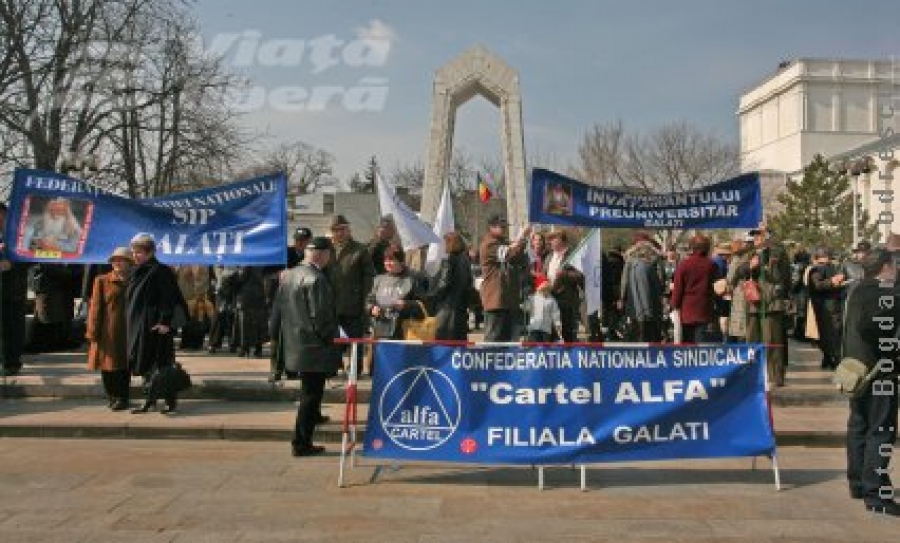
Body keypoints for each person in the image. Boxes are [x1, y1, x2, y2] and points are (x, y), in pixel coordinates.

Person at [270, 236, 342, 457]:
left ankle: (302, 440)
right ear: (322, 254)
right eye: (329, 254)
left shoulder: (288, 275)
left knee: (308, 395)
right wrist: (335, 339)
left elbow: (277, 314)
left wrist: (276, 340)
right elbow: (321, 317)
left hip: (295, 344)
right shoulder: (316, 279)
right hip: (314, 347)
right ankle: (301, 442)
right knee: (311, 397)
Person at [843, 248, 899, 515]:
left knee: (859, 426)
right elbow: (871, 326)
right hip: (878, 371)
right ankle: (876, 493)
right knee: (881, 430)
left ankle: (857, 482)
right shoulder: (883, 293)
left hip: (856, 369)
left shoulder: (858, 289)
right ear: (885, 267)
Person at [126, 233, 188, 415]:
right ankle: (150, 400)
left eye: (140, 252)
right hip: (140, 324)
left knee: (162, 364)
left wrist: (164, 322)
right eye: (134, 252)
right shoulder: (138, 270)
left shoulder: (160, 271)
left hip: (156, 325)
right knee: (146, 363)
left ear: (150, 252)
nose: (136, 255)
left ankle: (170, 401)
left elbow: (168, 298)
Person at [733, 226, 792, 387]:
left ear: (767, 236)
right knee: (752, 340)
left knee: (772, 340)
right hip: (753, 302)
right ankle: (753, 375)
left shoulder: (778, 252)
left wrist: (782, 294)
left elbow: (786, 277)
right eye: (755, 235)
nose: (756, 238)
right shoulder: (749, 253)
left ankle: (775, 376)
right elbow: (738, 273)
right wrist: (749, 266)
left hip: (772, 302)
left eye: (759, 235)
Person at [86, 247, 133, 411]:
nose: (117, 263)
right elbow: (95, 307)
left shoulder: (135, 279)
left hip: (128, 329)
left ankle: (123, 397)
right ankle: (112, 396)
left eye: (121, 260)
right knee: (107, 366)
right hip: (107, 330)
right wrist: (92, 330)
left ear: (129, 262)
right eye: (115, 260)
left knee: (124, 366)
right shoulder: (102, 280)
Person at [326, 214, 375, 372]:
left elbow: (369, 277)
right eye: (336, 230)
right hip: (330, 304)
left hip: (352, 304)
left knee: (355, 339)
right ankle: (333, 366)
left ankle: (355, 369)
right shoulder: (326, 249)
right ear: (331, 232)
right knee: (332, 338)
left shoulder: (360, 250)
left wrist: (366, 301)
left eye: (343, 229)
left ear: (349, 230)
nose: (339, 233)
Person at [479, 215, 530, 341]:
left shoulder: (504, 242)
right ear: (491, 227)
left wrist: (521, 243)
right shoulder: (488, 244)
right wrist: (522, 236)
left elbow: (518, 258)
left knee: (511, 341)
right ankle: (490, 361)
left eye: (505, 227)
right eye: (501, 227)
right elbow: (508, 254)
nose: (504, 229)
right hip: (495, 300)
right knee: (494, 340)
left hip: (509, 300)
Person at [367, 244, 427, 342]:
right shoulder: (379, 279)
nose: (387, 263)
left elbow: (424, 305)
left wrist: (406, 305)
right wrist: (372, 308)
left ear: (401, 262)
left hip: (406, 333)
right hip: (380, 332)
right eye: (385, 260)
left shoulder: (414, 279)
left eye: (391, 260)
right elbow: (369, 300)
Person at [618, 232, 666, 342]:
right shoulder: (656, 259)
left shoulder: (629, 260)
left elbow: (624, 281)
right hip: (653, 301)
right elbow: (661, 279)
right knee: (652, 329)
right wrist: (661, 294)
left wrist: (622, 297)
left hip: (633, 300)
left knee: (635, 326)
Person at [671, 235, 717, 343]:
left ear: (692, 247)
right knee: (701, 343)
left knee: (687, 343)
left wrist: (674, 305)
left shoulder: (684, 265)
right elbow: (714, 287)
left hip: (686, 311)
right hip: (704, 309)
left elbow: (678, 289)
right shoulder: (711, 265)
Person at [1, 202, 29, 376]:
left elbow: (31, 259)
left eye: (2, 215)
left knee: (14, 328)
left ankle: (12, 362)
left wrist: (13, 263)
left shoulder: (20, 237)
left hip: (14, 290)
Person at [806, 247, 846, 369]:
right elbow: (818, 285)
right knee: (830, 332)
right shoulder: (816, 270)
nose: (827, 258)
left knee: (830, 333)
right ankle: (831, 357)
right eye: (825, 256)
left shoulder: (830, 268)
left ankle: (829, 357)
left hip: (830, 304)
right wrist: (833, 282)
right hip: (825, 305)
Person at [428, 233, 473, 341]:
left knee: (443, 344)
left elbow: (443, 284)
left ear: (450, 244)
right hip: (460, 308)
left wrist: (433, 298)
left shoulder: (449, 261)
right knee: (459, 344)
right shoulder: (465, 259)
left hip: (446, 308)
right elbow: (468, 283)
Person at [543, 230, 584, 343]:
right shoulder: (549, 256)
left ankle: (569, 355)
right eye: (549, 239)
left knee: (568, 332)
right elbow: (544, 274)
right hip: (550, 298)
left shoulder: (573, 255)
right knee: (549, 331)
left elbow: (580, 276)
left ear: (561, 240)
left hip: (567, 300)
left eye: (553, 239)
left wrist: (564, 274)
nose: (550, 242)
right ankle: (551, 357)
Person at [233, 266, 267, 358]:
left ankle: (244, 349)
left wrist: (235, 274)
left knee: (244, 324)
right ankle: (258, 349)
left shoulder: (246, 263)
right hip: (259, 295)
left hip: (246, 297)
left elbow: (241, 279)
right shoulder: (261, 263)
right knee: (258, 323)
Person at [524, 276, 561, 342]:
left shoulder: (551, 300)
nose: (546, 291)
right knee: (534, 345)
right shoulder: (533, 298)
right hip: (534, 327)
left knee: (545, 346)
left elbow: (555, 313)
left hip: (546, 328)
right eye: (544, 289)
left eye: (548, 289)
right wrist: (525, 301)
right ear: (540, 289)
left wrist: (557, 323)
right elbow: (526, 308)